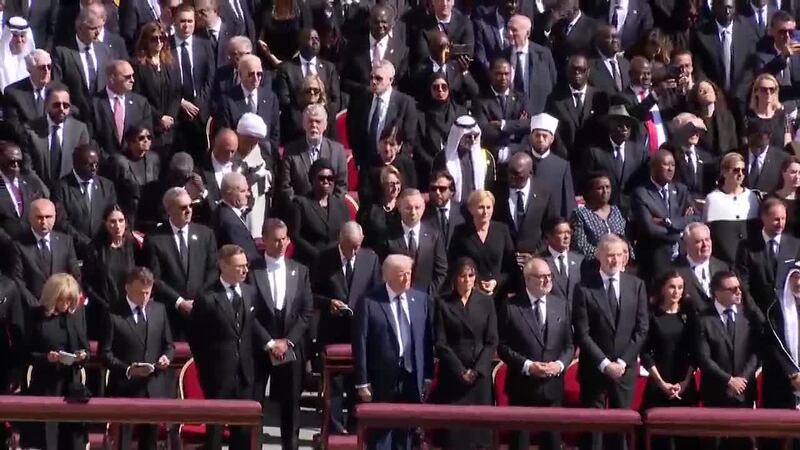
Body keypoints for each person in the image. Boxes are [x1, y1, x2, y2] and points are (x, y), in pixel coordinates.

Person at [189, 244, 270, 450]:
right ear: (223, 266)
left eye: (246, 265)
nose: (244, 270)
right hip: (217, 374)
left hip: (244, 373)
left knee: (242, 431)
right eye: (239, 266)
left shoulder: (250, 292)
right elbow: (196, 339)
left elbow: (250, 327)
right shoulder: (207, 297)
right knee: (215, 430)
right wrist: (206, 370)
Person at [573, 233, 649, 450]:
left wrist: (622, 363)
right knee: (593, 430)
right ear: (599, 255)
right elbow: (582, 332)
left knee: (621, 428)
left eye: (619, 255)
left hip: (625, 370)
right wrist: (605, 365)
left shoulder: (636, 285)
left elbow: (642, 329)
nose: (615, 260)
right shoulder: (584, 287)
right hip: (595, 370)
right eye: (610, 255)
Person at [353, 254, 434, 450]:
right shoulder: (369, 302)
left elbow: (426, 340)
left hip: (411, 376)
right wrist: (362, 382)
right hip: (382, 377)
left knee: (407, 434)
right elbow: (361, 343)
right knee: (381, 434)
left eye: (409, 273)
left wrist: (427, 376)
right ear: (388, 276)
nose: (407, 278)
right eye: (401, 274)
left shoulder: (420, 299)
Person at [248, 219, 313, 450]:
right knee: (255, 403)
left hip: (290, 347)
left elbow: (306, 312)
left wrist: (289, 341)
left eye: (284, 239)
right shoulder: (251, 270)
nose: (280, 244)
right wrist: (268, 342)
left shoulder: (300, 270)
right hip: (259, 347)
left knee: (291, 404)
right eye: (275, 239)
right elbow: (248, 312)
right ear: (263, 240)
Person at [312, 221, 381, 434]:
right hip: (332, 330)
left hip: (359, 331)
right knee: (335, 385)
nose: (355, 250)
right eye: (351, 246)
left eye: (358, 245)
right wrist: (328, 303)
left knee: (356, 382)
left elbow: (376, 293)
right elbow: (310, 294)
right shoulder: (324, 258)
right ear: (340, 240)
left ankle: (354, 428)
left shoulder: (370, 258)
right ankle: (332, 429)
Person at [498, 257, 573, 450]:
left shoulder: (561, 305)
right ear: (528, 279)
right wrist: (528, 366)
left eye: (549, 276)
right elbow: (502, 346)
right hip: (522, 388)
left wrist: (560, 365)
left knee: (552, 443)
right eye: (541, 277)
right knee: (520, 444)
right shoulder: (511, 306)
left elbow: (569, 346)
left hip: (552, 387)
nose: (547, 280)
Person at [100, 267, 175, 450]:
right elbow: (105, 353)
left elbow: (169, 345)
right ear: (127, 288)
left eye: (147, 293)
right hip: (125, 388)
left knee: (150, 442)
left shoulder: (159, 310)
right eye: (140, 293)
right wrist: (127, 369)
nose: (144, 298)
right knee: (123, 441)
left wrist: (166, 357)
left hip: (153, 387)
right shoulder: (112, 314)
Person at [432, 257, 498, 450]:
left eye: (471, 275)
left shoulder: (486, 302)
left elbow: (492, 340)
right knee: (455, 436)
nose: (467, 280)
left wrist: (477, 370)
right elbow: (441, 343)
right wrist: (460, 371)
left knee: (479, 435)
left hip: (479, 378)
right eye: (462, 276)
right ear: (454, 278)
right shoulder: (443, 303)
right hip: (454, 375)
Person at [20, 273, 89, 450]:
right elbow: (25, 353)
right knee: (46, 439)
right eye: (62, 300)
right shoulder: (36, 316)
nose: (65, 305)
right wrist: (46, 358)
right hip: (45, 384)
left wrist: (82, 355)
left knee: (70, 439)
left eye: (69, 301)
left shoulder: (75, 316)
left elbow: (85, 348)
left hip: (70, 385)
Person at [694, 271, 760, 450]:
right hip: (716, 393)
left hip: (744, 393)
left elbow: (755, 353)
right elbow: (704, 358)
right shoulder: (703, 320)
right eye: (732, 289)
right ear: (717, 292)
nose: (738, 292)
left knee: (743, 443)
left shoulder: (747, 316)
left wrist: (742, 381)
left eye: (739, 288)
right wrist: (729, 381)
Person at [143, 187, 218, 339]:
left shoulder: (206, 234)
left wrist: (199, 300)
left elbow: (213, 270)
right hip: (171, 314)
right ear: (169, 210)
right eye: (183, 207)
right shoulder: (155, 239)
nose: (189, 210)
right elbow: (155, 278)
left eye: (191, 206)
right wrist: (180, 302)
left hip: (201, 312)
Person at [640, 271, 698, 450]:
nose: (676, 292)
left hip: (684, 384)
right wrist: (662, 384)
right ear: (663, 288)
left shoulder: (689, 315)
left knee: (685, 438)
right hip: (659, 384)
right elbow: (645, 353)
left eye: (680, 287)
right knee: (660, 440)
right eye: (672, 287)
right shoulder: (652, 315)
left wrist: (686, 381)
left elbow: (694, 351)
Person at [632, 149, 699, 284]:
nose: (670, 169)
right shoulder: (641, 193)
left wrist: (669, 222)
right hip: (655, 258)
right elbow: (650, 229)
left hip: (682, 255)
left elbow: (696, 218)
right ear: (653, 167)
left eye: (673, 165)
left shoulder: (681, 190)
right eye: (666, 165)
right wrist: (682, 230)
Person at [346, 59, 417, 169]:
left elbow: (409, 140)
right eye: (371, 77)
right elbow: (353, 133)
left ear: (391, 80)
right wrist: (359, 160)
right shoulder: (361, 100)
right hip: (367, 167)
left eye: (378, 78)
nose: (373, 81)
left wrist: (395, 164)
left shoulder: (405, 103)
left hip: (394, 168)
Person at [82, 204, 139, 337]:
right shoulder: (95, 248)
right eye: (112, 221)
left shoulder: (134, 246)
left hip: (131, 309)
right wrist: (105, 305)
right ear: (105, 223)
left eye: (121, 220)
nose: (117, 226)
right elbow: (88, 284)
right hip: (103, 310)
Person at [52, 143, 118, 258]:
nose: (94, 168)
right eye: (89, 164)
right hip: (74, 251)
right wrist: (86, 243)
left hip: (101, 250)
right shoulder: (61, 187)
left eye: (96, 164)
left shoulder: (107, 186)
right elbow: (61, 222)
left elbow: (111, 215)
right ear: (76, 164)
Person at [691, 0, 758, 113]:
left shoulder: (747, 31)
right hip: (714, 98)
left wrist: (739, 93)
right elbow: (699, 67)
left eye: (730, 8)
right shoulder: (701, 35)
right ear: (714, 8)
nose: (727, 11)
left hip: (741, 99)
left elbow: (751, 66)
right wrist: (713, 91)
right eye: (724, 8)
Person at [12, 198, 81, 308]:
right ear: (30, 218)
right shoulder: (19, 245)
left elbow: (75, 274)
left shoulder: (66, 241)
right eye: (39, 217)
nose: (44, 222)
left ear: (54, 217)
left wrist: (67, 301)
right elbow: (18, 281)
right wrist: (37, 306)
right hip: (34, 311)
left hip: (63, 308)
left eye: (48, 217)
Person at [736, 197, 800, 313]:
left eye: (783, 219)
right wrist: (757, 314)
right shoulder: (747, 247)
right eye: (776, 219)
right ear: (763, 218)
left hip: (789, 313)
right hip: (760, 313)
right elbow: (744, 285)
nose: (781, 224)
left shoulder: (795, 245)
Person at [170, 4, 217, 158]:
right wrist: (180, 102)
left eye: (190, 21)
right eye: (182, 21)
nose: (186, 26)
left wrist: (199, 104)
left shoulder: (204, 44)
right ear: (175, 22)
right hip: (175, 113)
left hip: (199, 114)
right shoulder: (165, 46)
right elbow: (163, 81)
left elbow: (210, 78)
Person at [450, 190, 517, 297]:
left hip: (498, 294)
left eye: (489, 207)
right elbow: (454, 264)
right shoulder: (461, 232)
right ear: (471, 210)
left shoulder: (502, 230)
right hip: (471, 294)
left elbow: (511, 266)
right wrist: (476, 283)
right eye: (481, 207)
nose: (486, 212)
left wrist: (496, 281)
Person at [381, 188, 448, 297]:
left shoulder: (434, 235)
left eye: (417, 208)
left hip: (426, 300)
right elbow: (382, 270)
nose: (413, 212)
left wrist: (428, 295)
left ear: (423, 207)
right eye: (408, 208)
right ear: (399, 208)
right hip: (395, 298)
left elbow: (441, 270)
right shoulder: (388, 236)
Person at [761, 265, 800, 450]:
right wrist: (793, 374)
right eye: (795, 278)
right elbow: (775, 344)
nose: (798, 283)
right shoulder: (776, 310)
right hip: (783, 382)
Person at [546, 53, 608, 167]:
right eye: (573, 69)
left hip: (593, 162)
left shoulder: (599, 97)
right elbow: (555, 133)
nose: (577, 73)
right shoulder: (555, 99)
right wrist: (565, 159)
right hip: (565, 161)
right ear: (566, 71)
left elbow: (603, 130)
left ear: (588, 72)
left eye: (581, 69)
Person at [585, 104, 648, 215]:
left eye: (628, 126)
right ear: (609, 125)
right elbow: (588, 184)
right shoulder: (595, 152)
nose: (624, 129)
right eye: (620, 125)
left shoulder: (639, 152)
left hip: (632, 212)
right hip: (603, 212)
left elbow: (644, 182)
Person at [279, 103, 347, 205]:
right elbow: (285, 186)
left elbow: (342, 185)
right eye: (310, 121)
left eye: (318, 121)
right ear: (304, 124)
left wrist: (330, 206)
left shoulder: (338, 150)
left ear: (325, 126)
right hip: (299, 209)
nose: (314, 125)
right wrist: (301, 206)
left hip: (329, 210)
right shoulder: (291, 150)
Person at [24, 82, 91, 186]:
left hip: (68, 193)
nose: (61, 109)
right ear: (46, 105)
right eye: (56, 105)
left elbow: (82, 166)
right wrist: (44, 192)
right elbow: (28, 168)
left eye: (66, 105)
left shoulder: (80, 130)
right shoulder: (30, 130)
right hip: (40, 192)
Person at [52, 9, 113, 123]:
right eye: (93, 28)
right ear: (80, 28)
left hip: (101, 118)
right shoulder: (62, 52)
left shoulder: (104, 50)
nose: (98, 32)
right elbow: (57, 84)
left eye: (99, 27)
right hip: (75, 116)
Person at [287, 158, 350, 269]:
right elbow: (295, 236)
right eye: (321, 178)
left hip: (334, 264)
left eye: (330, 178)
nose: (326, 181)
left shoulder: (340, 205)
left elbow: (346, 232)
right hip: (308, 263)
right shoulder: (300, 203)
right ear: (312, 179)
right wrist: (318, 255)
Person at [131, 21, 181, 153]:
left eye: (162, 38)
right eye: (154, 39)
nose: (159, 42)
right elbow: (139, 97)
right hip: (151, 127)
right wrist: (159, 119)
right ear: (146, 41)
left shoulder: (171, 62)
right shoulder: (138, 66)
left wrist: (170, 117)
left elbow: (177, 93)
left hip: (171, 128)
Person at [339, 5, 409, 97]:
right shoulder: (353, 47)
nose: (380, 26)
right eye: (376, 22)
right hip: (360, 103)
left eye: (384, 22)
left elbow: (402, 83)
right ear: (369, 21)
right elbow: (345, 81)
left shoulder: (401, 50)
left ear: (392, 24)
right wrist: (366, 90)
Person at [704, 152, 761, 265]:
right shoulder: (712, 199)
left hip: (749, 262)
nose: (740, 174)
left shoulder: (752, 197)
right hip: (723, 262)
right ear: (724, 172)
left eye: (743, 171)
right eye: (736, 170)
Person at [494, 151, 554, 256]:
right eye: (509, 172)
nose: (511, 177)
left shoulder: (544, 193)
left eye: (517, 174)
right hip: (505, 260)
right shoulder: (496, 192)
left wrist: (535, 255)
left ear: (530, 173)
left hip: (534, 259)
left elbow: (549, 228)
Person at [90, 59, 155, 156]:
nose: (132, 80)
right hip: (104, 164)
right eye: (127, 77)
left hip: (133, 164)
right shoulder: (94, 104)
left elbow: (146, 135)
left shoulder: (141, 103)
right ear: (112, 78)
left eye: (133, 76)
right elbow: (91, 138)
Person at [101, 126, 161, 227]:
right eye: (141, 138)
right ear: (130, 141)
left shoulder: (154, 159)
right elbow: (110, 190)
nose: (146, 141)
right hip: (128, 214)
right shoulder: (117, 161)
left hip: (150, 214)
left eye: (149, 138)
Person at [218, 54, 281, 150]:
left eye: (259, 74)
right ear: (240, 75)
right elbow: (228, 133)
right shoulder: (227, 100)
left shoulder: (271, 98)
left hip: (265, 157)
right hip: (238, 155)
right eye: (251, 74)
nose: (256, 78)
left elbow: (274, 133)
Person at [275, 28, 341, 118]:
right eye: (311, 38)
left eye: (317, 38)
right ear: (300, 43)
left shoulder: (329, 68)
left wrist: (321, 116)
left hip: (323, 122)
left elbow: (336, 100)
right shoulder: (286, 69)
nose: (315, 42)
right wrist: (305, 118)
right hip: (296, 124)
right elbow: (285, 101)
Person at [474, 58, 529, 165]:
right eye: (498, 74)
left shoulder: (521, 98)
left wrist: (504, 125)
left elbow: (529, 125)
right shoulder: (480, 101)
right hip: (491, 158)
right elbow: (485, 132)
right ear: (490, 74)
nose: (503, 78)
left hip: (517, 156)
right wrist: (516, 128)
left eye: (506, 74)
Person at [432, 115, 496, 203]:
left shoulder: (485, 156)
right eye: (468, 137)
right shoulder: (443, 158)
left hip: (479, 207)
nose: (473, 141)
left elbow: (490, 186)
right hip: (454, 209)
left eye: (475, 136)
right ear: (458, 136)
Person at [501, 14, 557, 115]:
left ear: (527, 33)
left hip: (539, 114)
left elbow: (554, 83)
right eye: (508, 29)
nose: (509, 33)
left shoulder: (543, 54)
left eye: (514, 30)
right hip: (511, 117)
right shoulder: (502, 56)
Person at [417, 73, 467, 183]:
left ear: (449, 89)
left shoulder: (460, 112)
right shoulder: (421, 115)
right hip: (429, 168)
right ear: (429, 90)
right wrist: (436, 163)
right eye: (435, 87)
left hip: (457, 166)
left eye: (444, 87)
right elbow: (418, 146)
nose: (440, 90)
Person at [527, 113, 577, 219]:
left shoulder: (562, 166)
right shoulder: (522, 161)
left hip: (553, 224)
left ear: (552, 139)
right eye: (537, 135)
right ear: (531, 137)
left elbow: (568, 202)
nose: (540, 139)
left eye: (544, 136)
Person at [571, 172, 629, 260]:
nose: (605, 191)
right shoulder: (581, 213)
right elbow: (580, 245)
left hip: (619, 263)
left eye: (607, 187)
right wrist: (606, 254)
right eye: (600, 188)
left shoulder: (616, 211)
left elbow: (623, 238)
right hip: (593, 265)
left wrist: (625, 253)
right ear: (590, 192)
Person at [358, 123, 417, 206]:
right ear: (379, 143)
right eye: (385, 143)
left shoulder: (407, 164)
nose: (387, 148)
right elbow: (364, 194)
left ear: (399, 146)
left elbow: (411, 193)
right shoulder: (369, 163)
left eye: (392, 144)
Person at [0, 141, 46, 244]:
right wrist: (11, 242)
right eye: (11, 162)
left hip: (31, 247)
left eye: (19, 162)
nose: (16, 165)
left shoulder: (31, 183)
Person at [3, 49, 52, 142]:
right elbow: (15, 129)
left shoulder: (58, 90)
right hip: (28, 146)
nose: (46, 71)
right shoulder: (13, 93)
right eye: (42, 67)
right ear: (29, 69)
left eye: (49, 67)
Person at [213, 171, 260, 264]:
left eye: (248, 190)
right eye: (243, 191)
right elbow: (247, 255)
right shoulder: (230, 222)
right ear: (229, 193)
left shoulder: (220, 211)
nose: (248, 194)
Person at [687, 79, 739, 157]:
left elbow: (733, 144)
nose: (706, 92)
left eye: (709, 89)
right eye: (701, 91)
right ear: (696, 98)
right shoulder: (693, 121)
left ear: (715, 93)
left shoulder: (727, 118)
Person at [669, 113, 715, 201]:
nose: (696, 132)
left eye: (698, 129)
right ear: (678, 131)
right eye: (690, 128)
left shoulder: (706, 157)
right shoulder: (670, 153)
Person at [539, 217, 584, 301]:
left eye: (568, 232)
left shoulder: (579, 260)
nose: (566, 236)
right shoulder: (540, 262)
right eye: (561, 233)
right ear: (549, 236)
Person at [357, 165, 402, 249]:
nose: (396, 188)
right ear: (382, 185)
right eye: (391, 184)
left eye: (397, 183)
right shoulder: (370, 210)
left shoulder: (404, 206)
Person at [257, 0, 313, 66]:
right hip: (269, 63)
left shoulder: (301, 7)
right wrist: (275, 61)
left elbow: (307, 37)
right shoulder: (265, 7)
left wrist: (291, 63)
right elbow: (260, 39)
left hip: (296, 64)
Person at [743, 117, 789, 193]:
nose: (757, 150)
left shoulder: (783, 160)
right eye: (753, 145)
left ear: (769, 137)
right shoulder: (736, 156)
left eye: (761, 146)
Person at [422, 170, 465, 249]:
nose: (437, 192)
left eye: (442, 189)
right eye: (433, 189)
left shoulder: (463, 212)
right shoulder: (423, 212)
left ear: (452, 191)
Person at [745, 73, 790, 148]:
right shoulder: (748, 118)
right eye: (763, 89)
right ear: (756, 92)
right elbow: (746, 146)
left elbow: (788, 144)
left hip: (780, 158)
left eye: (772, 89)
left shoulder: (783, 116)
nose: (768, 93)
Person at [589, 25, 631, 97]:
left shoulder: (626, 64)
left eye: (616, 37)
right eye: (609, 37)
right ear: (598, 41)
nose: (615, 40)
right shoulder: (590, 67)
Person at [0, 17, 34, 92]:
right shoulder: (1, 60)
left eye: (22, 36)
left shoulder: (32, 64)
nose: (19, 40)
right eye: (15, 36)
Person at [772, 156, 800, 235]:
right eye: (793, 172)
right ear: (783, 173)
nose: (797, 177)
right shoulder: (773, 198)